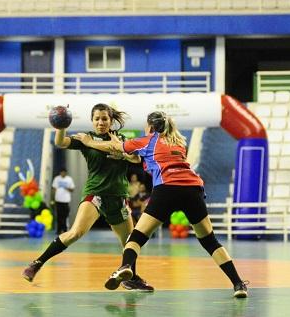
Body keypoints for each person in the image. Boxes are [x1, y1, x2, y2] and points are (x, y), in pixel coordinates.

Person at [74, 111, 249, 298]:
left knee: (137, 237)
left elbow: (116, 146)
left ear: (150, 127)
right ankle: (238, 284)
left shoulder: (148, 140)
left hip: (167, 188)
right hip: (193, 189)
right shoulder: (179, 143)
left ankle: (125, 268)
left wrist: (89, 142)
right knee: (210, 241)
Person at [22, 103, 154, 291]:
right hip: (96, 194)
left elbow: (137, 159)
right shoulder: (86, 138)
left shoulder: (121, 139)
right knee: (75, 233)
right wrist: (61, 127)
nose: (101, 122)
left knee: (130, 241)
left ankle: (129, 278)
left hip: (118, 198)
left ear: (110, 120)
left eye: (105, 119)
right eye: (97, 119)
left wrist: (122, 154)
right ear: (92, 121)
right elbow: (61, 143)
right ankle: (37, 263)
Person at [51, 168, 75, 234]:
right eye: (61, 172)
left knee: (65, 215)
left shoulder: (69, 179)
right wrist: (53, 198)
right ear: (60, 172)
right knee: (59, 216)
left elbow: (72, 189)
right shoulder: (57, 179)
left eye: (64, 172)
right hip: (58, 200)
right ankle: (58, 230)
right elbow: (54, 189)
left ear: (66, 173)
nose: (63, 173)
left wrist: (67, 188)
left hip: (66, 200)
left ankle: (64, 229)